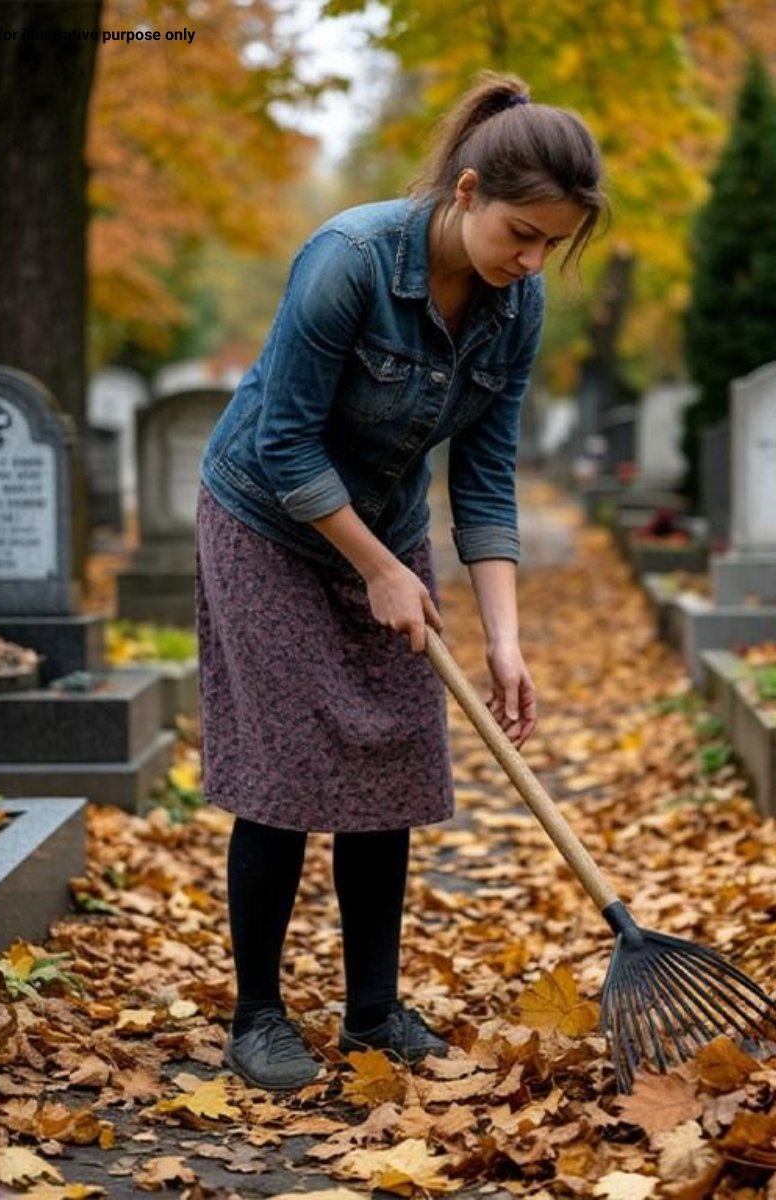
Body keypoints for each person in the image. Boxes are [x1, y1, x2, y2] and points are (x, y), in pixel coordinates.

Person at [196, 70, 606, 1091]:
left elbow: (486, 475)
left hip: (381, 524)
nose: (530, 260)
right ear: (466, 192)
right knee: (289, 765)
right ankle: (257, 1017)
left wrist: (503, 637)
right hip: (267, 523)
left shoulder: (517, 308)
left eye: (549, 244)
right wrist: (378, 569)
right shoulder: (348, 262)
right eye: (520, 232)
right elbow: (286, 444)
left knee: (388, 758)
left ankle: (373, 1012)